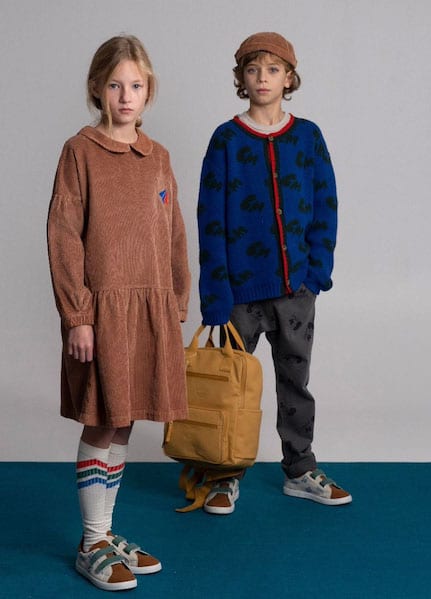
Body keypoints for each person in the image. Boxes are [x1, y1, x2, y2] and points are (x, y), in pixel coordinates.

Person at [47, 35, 190, 590]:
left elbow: (174, 234)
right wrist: (77, 314)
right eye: (115, 85)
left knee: (126, 417)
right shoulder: (79, 152)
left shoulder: (159, 158)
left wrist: (176, 300)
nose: (126, 96)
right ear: (97, 89)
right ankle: (90, 542)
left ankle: (104, 532)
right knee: (102, 418)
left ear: (149, 90)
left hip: (149, 307)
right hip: (102, 311)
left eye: (136, 85)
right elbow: (64, 236)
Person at [197, 32, 351, 515]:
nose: (262, 78)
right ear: (241, 79)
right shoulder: (226, 139)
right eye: (253, 70)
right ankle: (223, 473)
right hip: (238, 295)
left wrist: (316, 273)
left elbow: (325, 204)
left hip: (295, 292)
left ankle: (300, 469)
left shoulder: (308, 137)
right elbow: (210, 218)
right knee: (231, 386)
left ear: (289, 78)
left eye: (272, 70)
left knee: (295, 382)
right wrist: (215, 295)